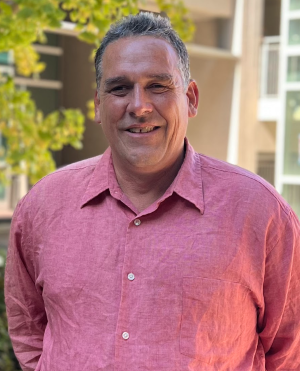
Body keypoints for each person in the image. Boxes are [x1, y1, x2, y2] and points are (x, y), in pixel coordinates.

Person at [5, 12, 300, 371]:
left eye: (158, 86)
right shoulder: (43, 206)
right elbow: (28, 328)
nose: (139, 106)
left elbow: (289, 351)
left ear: (190, 98)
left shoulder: (261, 213)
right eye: (119, 88)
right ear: (98, 105)